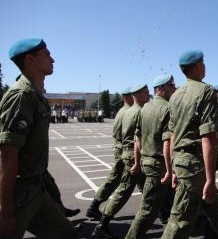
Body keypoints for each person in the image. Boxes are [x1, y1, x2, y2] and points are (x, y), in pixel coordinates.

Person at [0, 38, 78, 238]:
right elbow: (7, 156)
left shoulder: (35, 94)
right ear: (30, 59)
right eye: (47, 54)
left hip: (35, 190)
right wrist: (5, 208)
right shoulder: (21, 96)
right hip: (18, 195)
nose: (53, 60)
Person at [161, 50, 218, 239]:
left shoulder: (176, 95)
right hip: (195, 167)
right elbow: (208, 137)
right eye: (203, 63)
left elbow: (172, 135)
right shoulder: (206, 91)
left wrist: (173, 169)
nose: (205, 65)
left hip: (182, 162)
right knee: (179, 224)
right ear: (197, 67)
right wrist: (210, 180)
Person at [92, 84, 149, 238]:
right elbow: (139, 138)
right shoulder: (138, 112)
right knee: (124, 190)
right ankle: (102, 224)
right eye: (146, 92)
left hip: (127, 152)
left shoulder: (128, 111)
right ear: (136, 95)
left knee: (149, 189)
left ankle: (164, 215)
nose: (148, 94)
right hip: (133, 155)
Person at [125, 74, 176, 238]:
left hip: (148, 164)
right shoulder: (167, 108)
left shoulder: (145, 108)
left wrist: (138, 163)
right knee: (148, 210)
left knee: (168, 202)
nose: (174, 88)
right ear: (160, 89)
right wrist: (170, 170)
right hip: (159, 167)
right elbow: (167, 143)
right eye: (170, 85)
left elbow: (137, 139)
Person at [86, 87, 134, 220]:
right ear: (127, 97)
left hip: (120, 147)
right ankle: (98, 210)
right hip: (124, 148)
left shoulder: (122, 111)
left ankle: (95, 207)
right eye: (132, 95)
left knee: (115, 179)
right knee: (119, 180)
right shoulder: (128, 111)